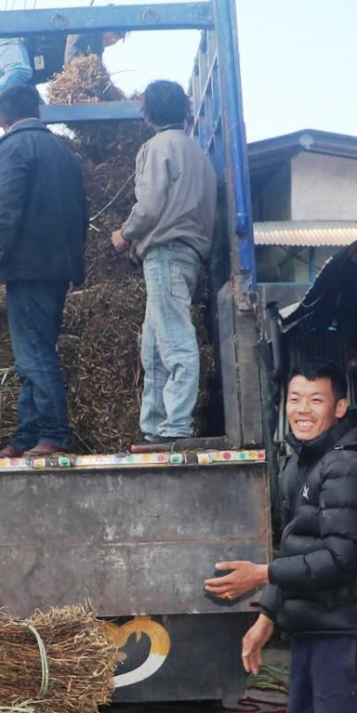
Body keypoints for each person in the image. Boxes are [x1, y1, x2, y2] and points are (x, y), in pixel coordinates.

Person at [205, 360, 357, 713]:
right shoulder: (303, 464)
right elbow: (296, 547)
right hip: (314, 629)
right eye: (295, 399)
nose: (302, 410)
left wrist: (260, 574)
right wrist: (267, 617)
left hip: (347, 637)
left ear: (339, 408)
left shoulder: (349, 468)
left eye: (316, 400)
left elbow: (340, 560)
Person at [0, 84, 86, 459]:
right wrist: (73, 267)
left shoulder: (13, 148)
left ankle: (53, 434)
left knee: (34, 356)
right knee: (34, 353)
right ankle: (26, 438)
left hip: (28, 270)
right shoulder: (64, 153)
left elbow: (3, 210)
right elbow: (80, 214)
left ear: (1, 117)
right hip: (56, 271)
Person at [111, 80, 215, 448]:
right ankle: (155, 425)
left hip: (166, 253)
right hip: (189, 254)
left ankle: (176, 425)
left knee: (174, 341)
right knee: (154, 346)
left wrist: (126, 234)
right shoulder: (198, 154)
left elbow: (151, 205)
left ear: (148, 113)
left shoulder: (157, 147)